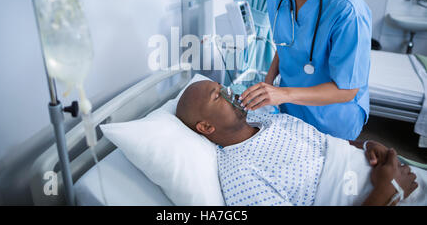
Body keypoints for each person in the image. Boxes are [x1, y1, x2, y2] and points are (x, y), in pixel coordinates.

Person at [176, 81, 425, 206]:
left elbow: (325, 143)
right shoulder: (238, 174)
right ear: (206, 127)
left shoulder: (267, 119)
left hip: (386, 168)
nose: (230, 93)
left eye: (224, 88)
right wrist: (385, 191)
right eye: (218, 96)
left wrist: (366, 144)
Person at [239, 0, 372, 140]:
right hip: (291, 110)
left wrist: (281, 94)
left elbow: (347, 90)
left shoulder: (348, 11)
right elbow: (285, 45)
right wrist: (267, 84)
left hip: (333, 117)